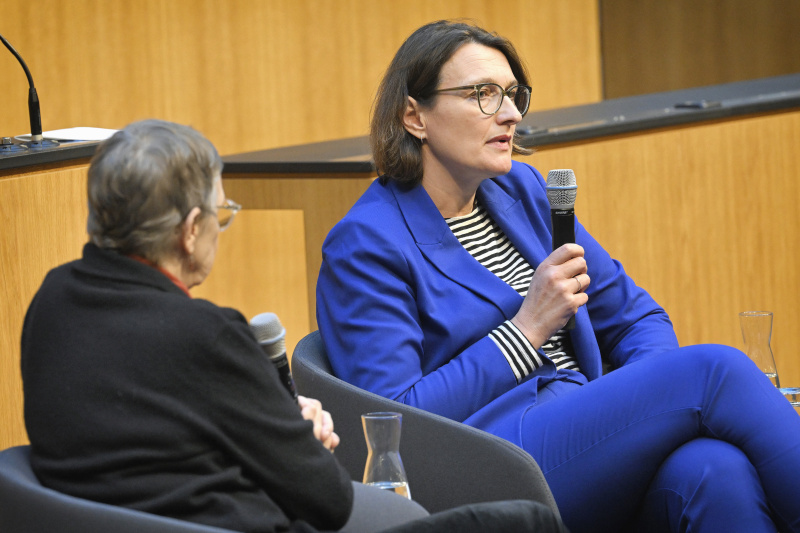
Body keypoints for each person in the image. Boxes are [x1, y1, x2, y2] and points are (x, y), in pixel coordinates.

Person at [316, 20, 800, 533]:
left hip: (583, 432)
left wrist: (644, 408)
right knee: (714, 371)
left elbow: (639, 318)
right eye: (482, 94)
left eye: (512, 94)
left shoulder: (521, 191)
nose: (509, 114)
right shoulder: (366, 242)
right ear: (414, 115)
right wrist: (526, 332)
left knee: (714, 469)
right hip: (486, 462)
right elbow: (395, 422)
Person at [21, 119, 567, 533]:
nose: (219, 226)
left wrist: (267, 422)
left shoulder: (52, 301)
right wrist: (294, 433)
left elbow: (150, 434)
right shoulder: (207, 335)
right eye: (221, 213)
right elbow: (327, 501)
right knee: (526, 521)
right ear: (190, 231)